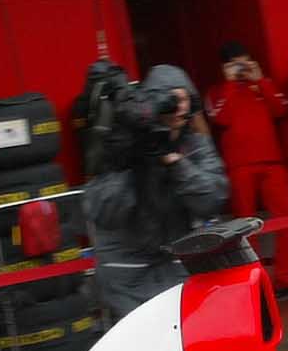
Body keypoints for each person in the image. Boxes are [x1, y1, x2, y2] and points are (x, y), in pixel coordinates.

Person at [85, 66, 230, 318]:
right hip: (128, 275)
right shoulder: (122, 146)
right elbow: (105, 212)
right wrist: (132, 161)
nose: (179, 107)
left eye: (184, 98)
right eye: (171, 99)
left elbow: (213, 197)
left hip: (176, 269)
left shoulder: (195, 146)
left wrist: (174, 162)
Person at [208, 45, 288, 296]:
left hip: (273, 163)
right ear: (225, 67)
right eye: (236, 65)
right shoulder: (217, 92)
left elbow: (282, 108)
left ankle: (285, 276)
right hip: (240, 167)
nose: (242, 69)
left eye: (246, 63)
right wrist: (231, 83)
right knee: (244, 226)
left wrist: (260, 79)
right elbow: (221, 118)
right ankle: (255, 280)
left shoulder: (263, 85)